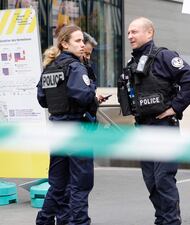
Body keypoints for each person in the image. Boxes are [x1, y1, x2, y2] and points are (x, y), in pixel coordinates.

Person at [121, 17, 190, 225]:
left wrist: (175, 107)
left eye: (135, 32)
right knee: (152, 181)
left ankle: (171, 221)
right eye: (129, 32)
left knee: (164, 179)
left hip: (164, 128)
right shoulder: (133, 63)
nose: (130, 36)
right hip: (143, 129)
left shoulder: (164, 56)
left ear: (149, 33)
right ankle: (162, 219)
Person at [36, 25, 106, 225]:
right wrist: (92, 93)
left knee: (57, 185)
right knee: (80, 184)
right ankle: (79, 222)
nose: (82, 45)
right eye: (77, 41)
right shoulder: (75, 67)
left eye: (83, 41)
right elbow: (84, 96)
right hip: (77, 130)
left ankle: (44, 221)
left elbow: (42, 99)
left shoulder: (50, 67)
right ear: (64, 43)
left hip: (57, 130)